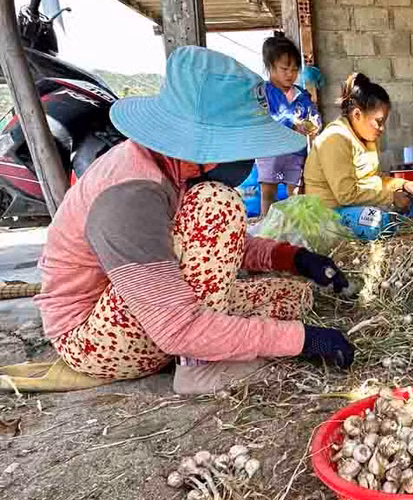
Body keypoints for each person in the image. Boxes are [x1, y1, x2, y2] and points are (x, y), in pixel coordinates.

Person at [22, 47, 355, 396]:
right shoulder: (130, 195)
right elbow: (175, 326)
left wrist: (294, 258)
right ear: (210, 150)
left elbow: (208, 246)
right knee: (218, 205)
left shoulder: (173, 169)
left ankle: (212, 344)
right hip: (93, 336)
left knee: (293, 297)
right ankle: (198, 368)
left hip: (144, 307)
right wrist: (303, 341)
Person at [304, 72, 413, 212]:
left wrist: (403, 185)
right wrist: (391, 197)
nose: (382, 128)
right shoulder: (335, 139)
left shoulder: (368, 138)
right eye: (379, 122)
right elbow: (346, 195)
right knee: (378, 223)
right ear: (357, 115)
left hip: (356, 208)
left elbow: (376, 180)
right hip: (329, 214)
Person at [257, 33, 321, 216]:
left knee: (294, 192)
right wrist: (292, 124)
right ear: (270, 67)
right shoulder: (264, 92)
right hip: (271, 152)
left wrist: (315, 123)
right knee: (269, 192)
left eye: (294, 69)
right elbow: (265, 118)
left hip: (295, 152)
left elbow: (313, 113)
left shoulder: (301, 94)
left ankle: (293, 225)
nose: (290, 74)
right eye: (284, 69)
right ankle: (266, 225)